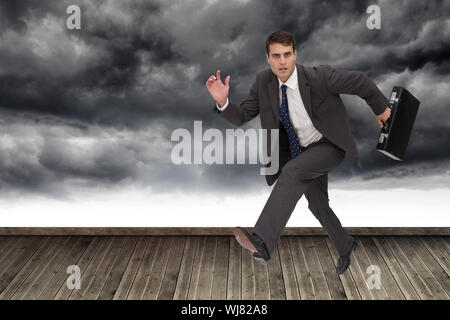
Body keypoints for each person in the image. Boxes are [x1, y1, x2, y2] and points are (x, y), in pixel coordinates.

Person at [205, 30, 391, 274]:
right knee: (317, 205)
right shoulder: (263, 83)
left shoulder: (318, 77)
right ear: (268, 58)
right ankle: (347, 247)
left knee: (292, 171)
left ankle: (262, 241)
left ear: (295, 55)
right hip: (302, 153)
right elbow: (243, 116)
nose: (282, 61)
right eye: (276, 56)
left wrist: (381, 109)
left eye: (287, 55)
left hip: (329, 146)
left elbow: (360, 82)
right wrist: (223, 102)